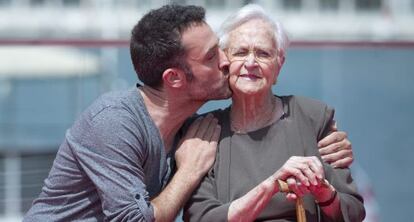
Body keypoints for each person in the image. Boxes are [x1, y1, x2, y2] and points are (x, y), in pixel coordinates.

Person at [24, 4, 355, 222]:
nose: (227, 63)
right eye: (213, 57)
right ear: (175, 79)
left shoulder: (189, 128)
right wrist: (189, 172)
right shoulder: (114, 122)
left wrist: (330, 143)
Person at [184, 4, 365, 222]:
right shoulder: (205, 132)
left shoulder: (313, 117)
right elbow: (200, 218)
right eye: (240, 52)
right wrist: (273, 184)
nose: (250, 63)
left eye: (263, 53)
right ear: (224, 62)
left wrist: (325, 194)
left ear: (279, 65)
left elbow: (353, 212)